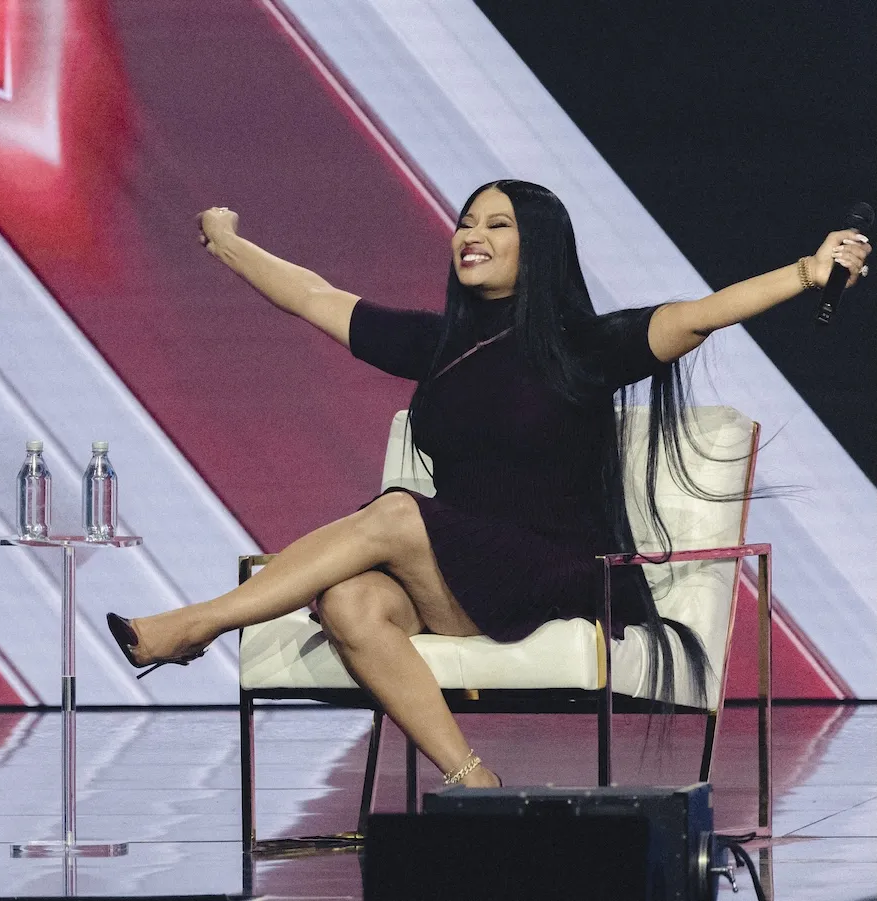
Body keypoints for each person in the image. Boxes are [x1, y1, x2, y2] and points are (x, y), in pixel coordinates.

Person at [107, 180, 869, 788]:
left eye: (497, 224)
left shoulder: (585, 344)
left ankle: (197, 624)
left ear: (537, 246)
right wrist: (227, 243)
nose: (471, 234)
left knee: (397, 511)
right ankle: (471, 779)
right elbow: (311, 295)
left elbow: (702, 314)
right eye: (466, 221)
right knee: (349, 601)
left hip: (559, 571)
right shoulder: (435, 343)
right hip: (461, 573)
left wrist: (806, 272)